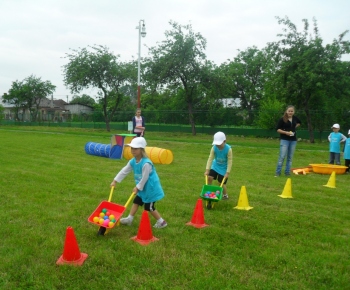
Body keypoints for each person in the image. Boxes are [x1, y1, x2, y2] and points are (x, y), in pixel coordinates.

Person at [110, 137, 167, 228]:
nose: (133, 150)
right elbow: (124, 171)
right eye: (132, 148)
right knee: (136, 201)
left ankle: (161, 222)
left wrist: (137, 187)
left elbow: (145, 178)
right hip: (142, 187)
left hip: (150, 188)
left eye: (135, 148)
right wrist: (115, 180)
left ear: (141, 149)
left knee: (149, 207)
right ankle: (130, 219)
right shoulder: (133, 161)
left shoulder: (146, 163)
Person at [204, 131, 232, 199]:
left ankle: (225, 195)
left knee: (221, 183)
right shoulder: (214, 148)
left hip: (223, 168)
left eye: (219, 144)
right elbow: (210, 158)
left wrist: (227, 173)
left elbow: (230, 161)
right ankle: (209, 192)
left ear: (224, 141)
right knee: (209, 178)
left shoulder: (228, 149)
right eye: (216, 144)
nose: (218, 145)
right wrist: (207, 170)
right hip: (215, 165)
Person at [275, 105, 301, 177]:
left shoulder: (295, 118)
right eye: (289, 111)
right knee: (282, 156)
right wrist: (286, 132)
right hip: (284, 140)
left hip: (293, 140)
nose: (290, 112)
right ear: (286, 111)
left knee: (290, 158)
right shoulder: (282, 119)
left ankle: (287, 172)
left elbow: (299, 122)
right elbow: (277, 129)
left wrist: (295, 126)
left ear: (294, 112)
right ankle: (278, 172)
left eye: (292, 111)